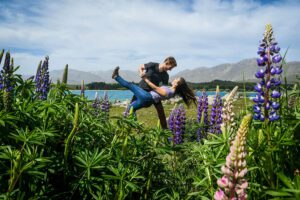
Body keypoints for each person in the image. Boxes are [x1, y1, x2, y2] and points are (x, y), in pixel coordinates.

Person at [112, 66, 196, 115]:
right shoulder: (170, 89)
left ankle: (116, 76)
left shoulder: (170, 92)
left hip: (147, 97)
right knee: (130, 109)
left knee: (131, 85)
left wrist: (145, 79)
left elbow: (156, 88)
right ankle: (135, 127)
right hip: (147, 101)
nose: (174, 79)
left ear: (177, 84)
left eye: (176, 79)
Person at [133, 57, 177, 129]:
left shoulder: (166, 76)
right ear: (167, 62)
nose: (170, 69)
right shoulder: (152, 65)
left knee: (161, 110)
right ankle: (134, 126)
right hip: (142, 89)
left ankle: (165, 130)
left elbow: (162, 88)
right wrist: (141, 73)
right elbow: (140, 67)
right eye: (171, 67)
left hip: (153, 92)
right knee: (131, 107)